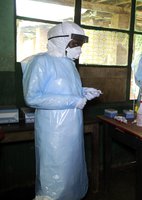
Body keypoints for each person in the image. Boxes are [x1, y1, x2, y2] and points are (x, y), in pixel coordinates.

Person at [21, 21, 102, 200]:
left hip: (72, 127)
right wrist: (73, 101)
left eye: (79, 45)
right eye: (75, 45)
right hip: (53, 132)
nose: (78, 50)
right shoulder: (41, 62)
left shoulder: (69, 64)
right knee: (54, 172)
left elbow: (63, 90)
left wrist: (83, 92)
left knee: (72, 168)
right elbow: (32, 97)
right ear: (60, 42)